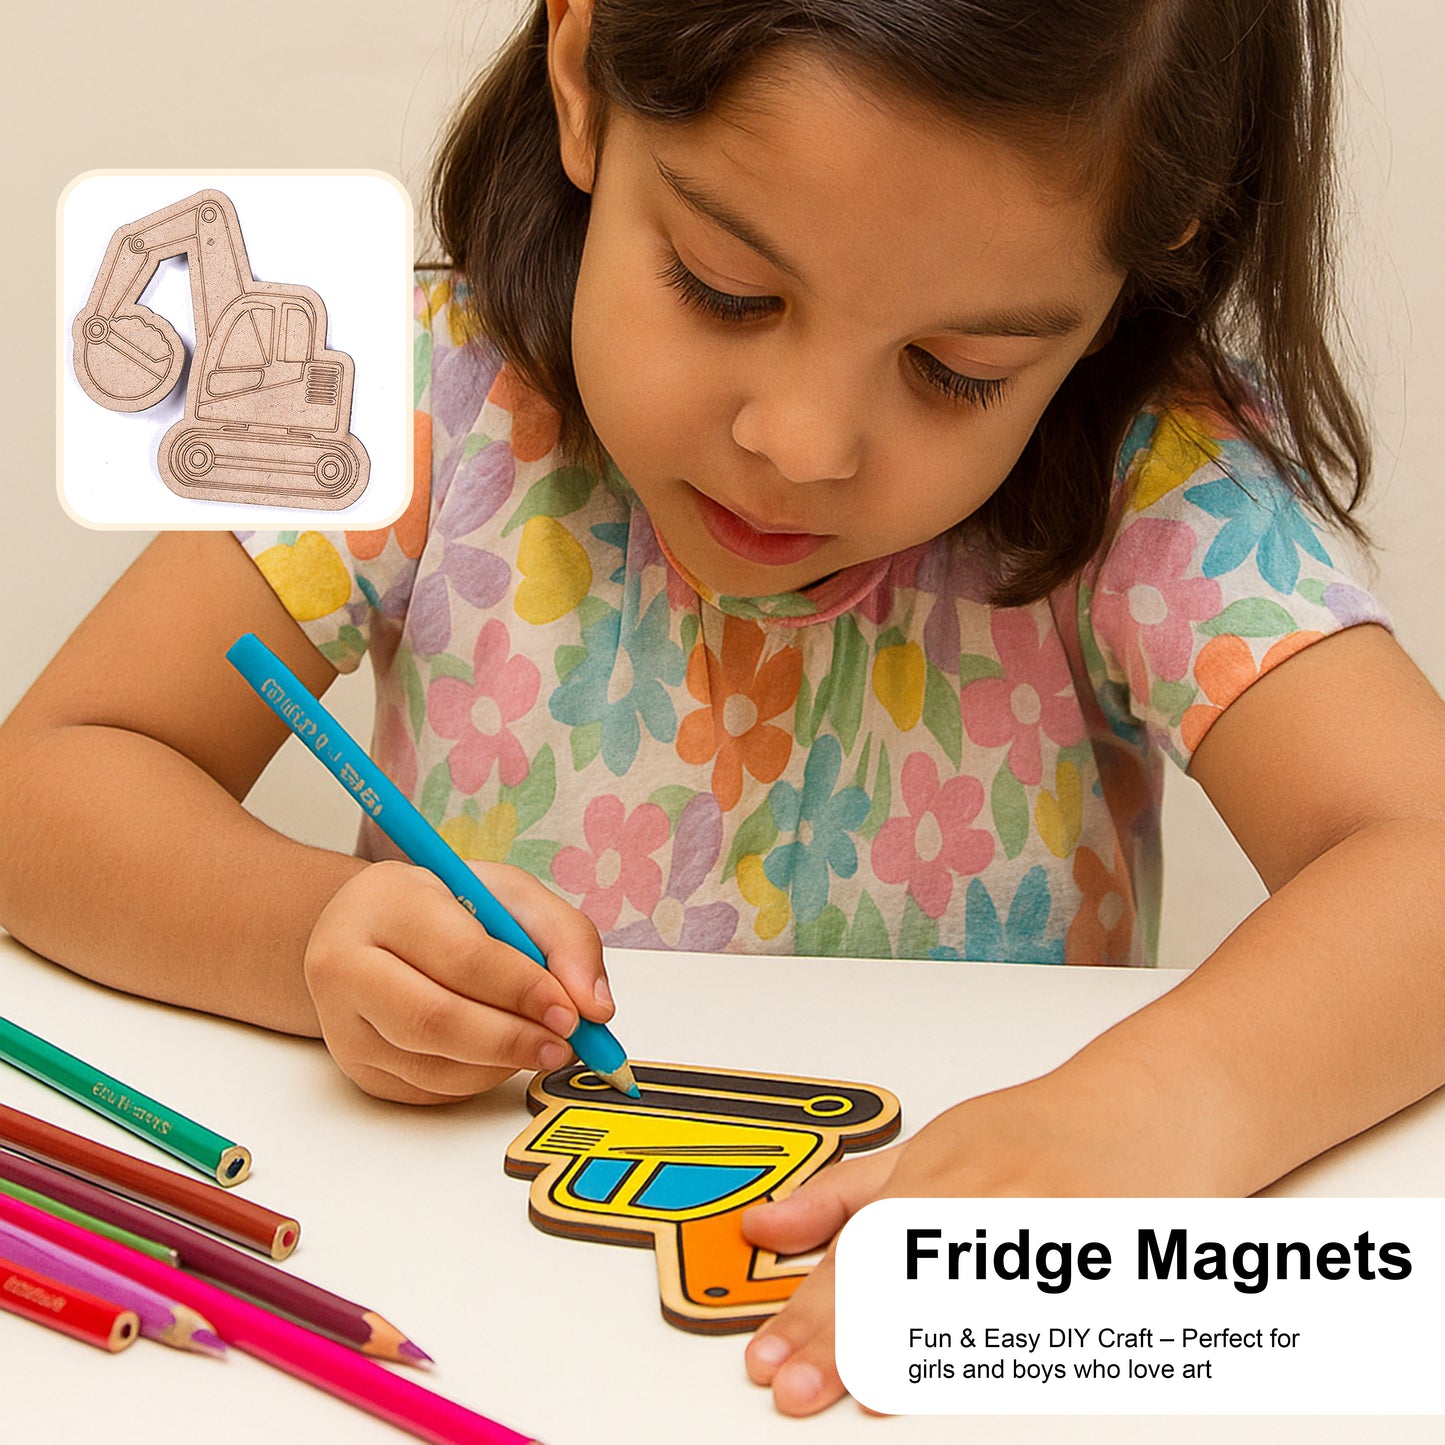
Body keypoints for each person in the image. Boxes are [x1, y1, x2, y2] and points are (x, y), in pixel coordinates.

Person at [3, 0, 1444, 1417]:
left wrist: (1157, 1110)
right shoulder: (413, 391)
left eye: (959, 371)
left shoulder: (1150, 479)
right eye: (723, 286)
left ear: (1148, 249)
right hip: (484, 1329)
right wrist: (305, 932)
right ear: (582, 68)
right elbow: (49, 781)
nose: (799, 445)